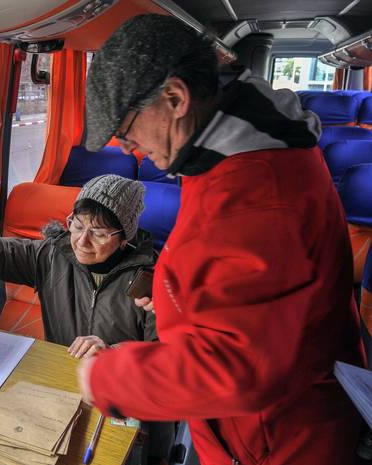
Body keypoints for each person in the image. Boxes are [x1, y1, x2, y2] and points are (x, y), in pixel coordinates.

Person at [76, 14, 364, 465]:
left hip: (276, 440)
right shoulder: (230, 147)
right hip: (258, 427)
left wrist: (107, 378)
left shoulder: (253, 194)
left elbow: (237, 372)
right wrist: (179, 295)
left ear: (174, 98)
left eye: (127, 128)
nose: (127, 147)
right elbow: (241, 279)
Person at [0, 174, 173, 462]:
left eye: (98, 233)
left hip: (125, 395)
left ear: (124, 238)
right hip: (65, 386)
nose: (82, 241)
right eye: (77, 224)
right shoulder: (53, 254)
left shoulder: (152, 280)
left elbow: (167, 355)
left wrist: (114, 352)